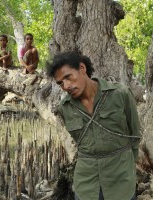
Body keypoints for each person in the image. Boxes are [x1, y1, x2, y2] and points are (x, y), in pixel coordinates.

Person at [46, 52, 141, 200]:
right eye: (60, 83)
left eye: (68, 77)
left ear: (82, 68)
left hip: (121, 180)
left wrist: (129, 165)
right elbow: (79, 141)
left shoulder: (120, 94)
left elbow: (135, 134)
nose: (66, 86)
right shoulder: (65, 108)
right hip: (86, 184)